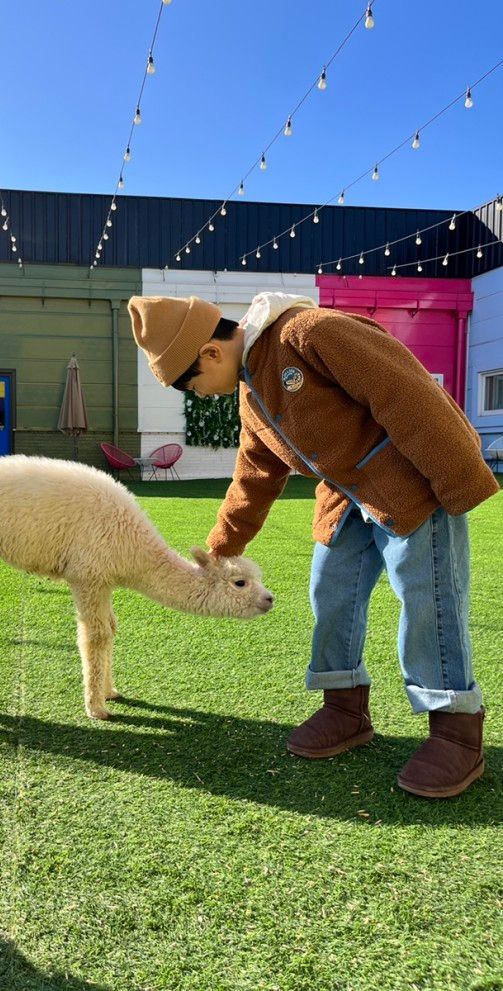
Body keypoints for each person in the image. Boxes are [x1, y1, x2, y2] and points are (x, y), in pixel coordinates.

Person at [128, 292, 499, 798]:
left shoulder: (309, 332)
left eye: (190, 383)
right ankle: (344, 708)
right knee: (329, 588)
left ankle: (455, 728)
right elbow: (255, 474)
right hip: (343, 497)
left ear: (210, 353)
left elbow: (406, 391)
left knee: (426, 597)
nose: (199, 394)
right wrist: (220, 547)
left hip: (411, 486)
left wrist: (458, 479)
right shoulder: (250, 391)